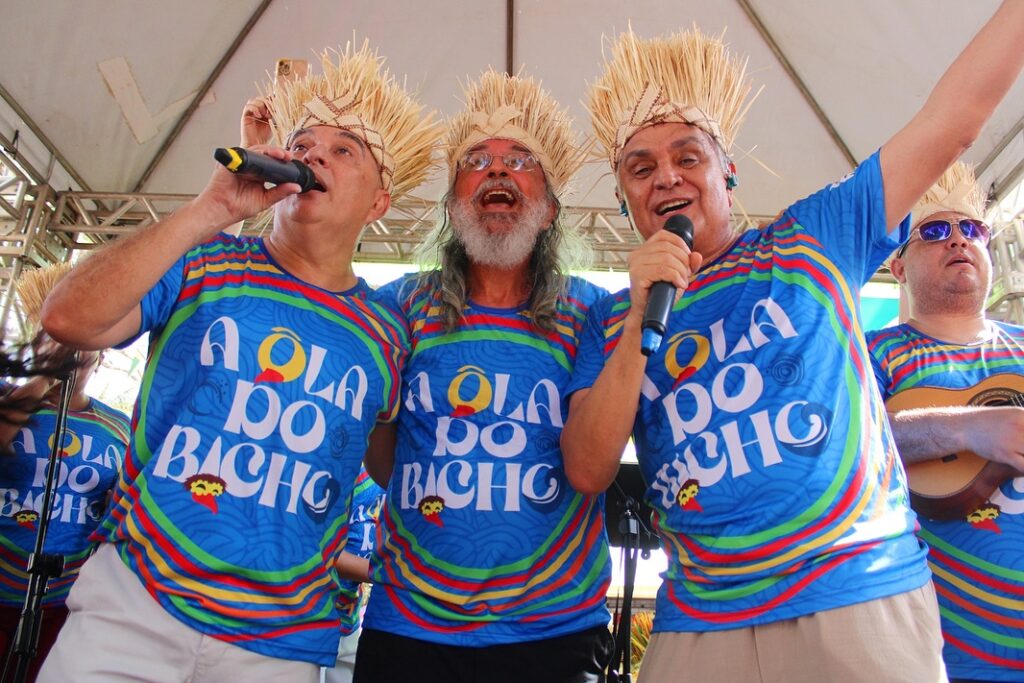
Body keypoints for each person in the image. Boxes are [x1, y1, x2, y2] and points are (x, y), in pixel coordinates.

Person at [561, 6, 1024, 682]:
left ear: (729, 170)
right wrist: (639, 321)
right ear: (625, 195)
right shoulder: (607, 319)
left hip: (857, 595)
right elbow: (587, 467)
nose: (665, 177)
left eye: (687, 155)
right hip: (701, 619)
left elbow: (953, 122)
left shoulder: (814, 235)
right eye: (640, 167)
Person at [36, 42, 441, 682]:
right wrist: (211, 208)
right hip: (135, 606)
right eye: (304, 144)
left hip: (279, 647)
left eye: (344, 150)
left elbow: (393, 464)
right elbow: (66, 318)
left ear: (380, 202)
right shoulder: (204, 262)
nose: (313, 156)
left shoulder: (390, 332)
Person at [353, 70, 614, 683]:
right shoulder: (396, 308)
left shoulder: (591, 314)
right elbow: (385, 464)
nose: (498, 170)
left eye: (521, 161)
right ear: (451, 205)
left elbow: (594, 459)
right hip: (409, 626)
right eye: (478, 161)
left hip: (553, 631)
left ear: (549, 209)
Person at [867, 161, 1024, 682]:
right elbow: (847, 441)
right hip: (938, 646)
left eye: (972, 229)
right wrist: (967, 428)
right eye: (934, 232)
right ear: (899, 267)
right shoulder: (872, 353)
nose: (957, 240)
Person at [0, 264, 130, 683]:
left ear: (102, 352)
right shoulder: (10, 400)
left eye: (83, 342)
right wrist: (40, 376)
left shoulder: (119, 425)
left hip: (64, 595)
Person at [322, 465, 384, 683]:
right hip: (316, 617)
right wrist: (383, 573)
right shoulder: (344, 466)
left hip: (349, 615)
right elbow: (322, 547)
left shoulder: (390, 470)